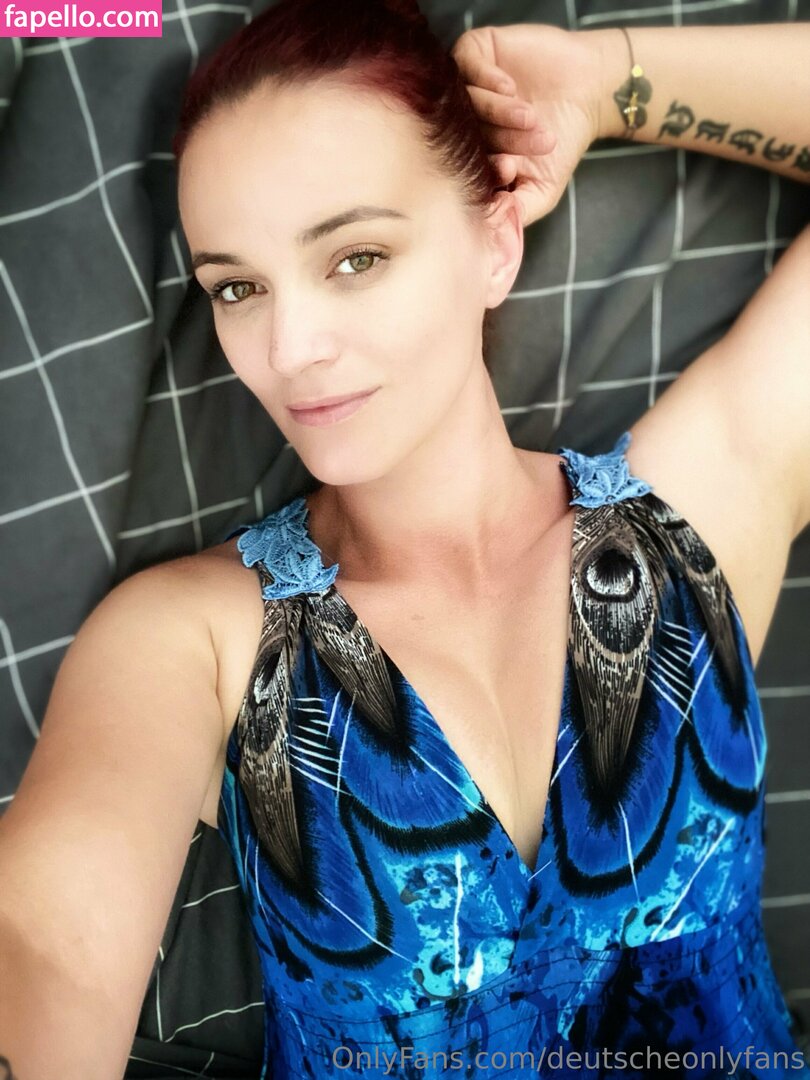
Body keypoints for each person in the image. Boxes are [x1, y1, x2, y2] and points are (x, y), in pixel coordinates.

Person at [0, 0, 808, 1076]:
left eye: (356, 258)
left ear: (496, 243)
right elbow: (44, 949)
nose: (290, 346)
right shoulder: (197, 641)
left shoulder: (693, 525)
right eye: (238, 287)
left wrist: (604, 84)